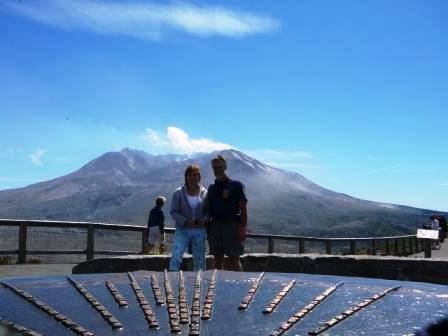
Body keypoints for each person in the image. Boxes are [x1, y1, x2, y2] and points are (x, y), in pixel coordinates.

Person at [206, 155, 248, 271]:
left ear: (225, 167)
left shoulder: (236, 185)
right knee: (217, 260)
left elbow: (243, 208)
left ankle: (238, 286)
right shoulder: (211, 188)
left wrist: (242, 228)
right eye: (214, 168)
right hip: (214, 227)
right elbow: (208, 209)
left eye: (219, 167)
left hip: (231, 226)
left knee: (234, 260)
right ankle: (215, 287)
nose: (217, 170)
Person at [169, 165, 208, 271]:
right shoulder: (178, 193)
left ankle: (199, 281)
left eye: (195, 174)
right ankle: (172, 277)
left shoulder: (206, 193)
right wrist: (185, 221)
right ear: (186, 177)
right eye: (190, 175)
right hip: (183, 229)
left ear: (199, 177)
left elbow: (209, 211)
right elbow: (173, 211)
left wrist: (205, 219)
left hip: (200, 230)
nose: (192, 177)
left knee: (200, 258)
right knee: (177, 255)